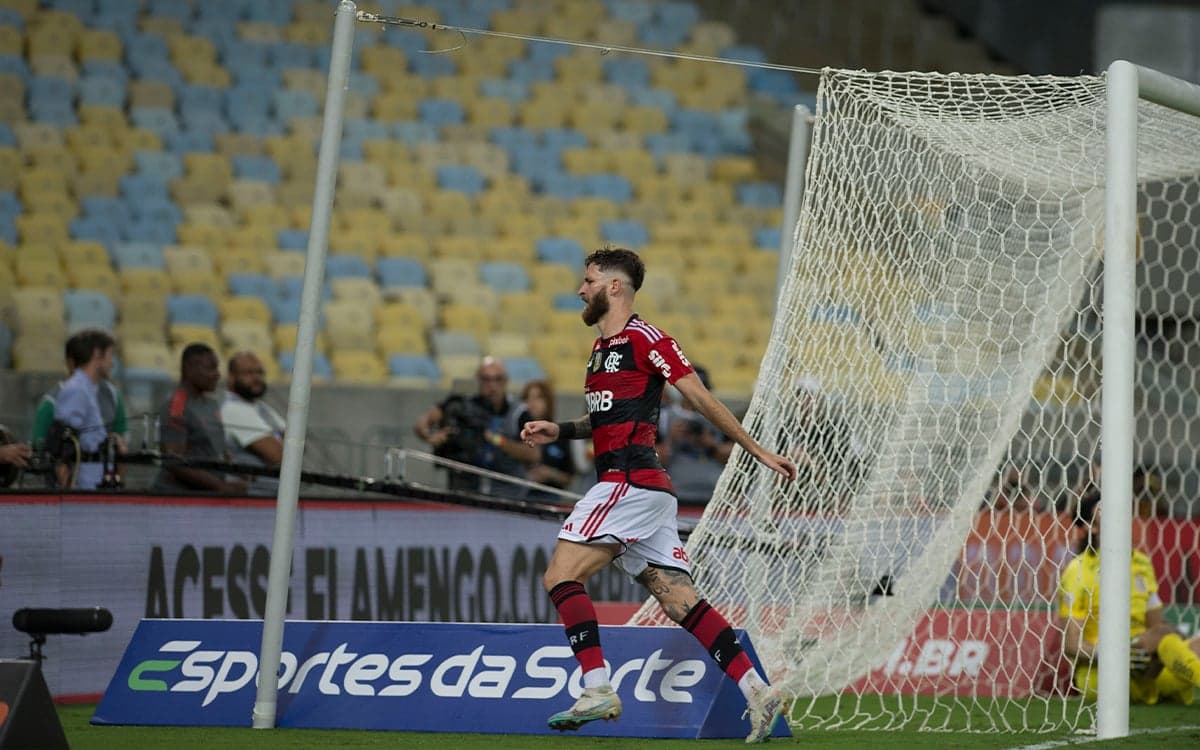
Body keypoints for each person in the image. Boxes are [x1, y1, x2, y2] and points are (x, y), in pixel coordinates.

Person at [520, 248, 798, 743]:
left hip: (628, 483)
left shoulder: (648, 339)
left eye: (588, 281)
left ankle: (597, 686)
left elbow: (699, 398)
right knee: (681, 602)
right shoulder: (600, 351)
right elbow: (602, 420)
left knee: (560, 574)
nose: (580, 290)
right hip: (645, 494)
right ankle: (757, 689)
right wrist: (557, 430)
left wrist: (756, 450)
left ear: (614, 288)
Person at [1057, 488, 1199, 705]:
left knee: (1190, 643)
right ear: (1091, 527)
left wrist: (1150, 648)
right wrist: (1117, 654)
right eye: (1105, 510)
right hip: (1100, 673)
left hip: (1144, 662)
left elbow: (1156, 627)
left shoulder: (1141, 564)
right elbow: (1071, 645)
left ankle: (1159, 684)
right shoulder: (1077, 570)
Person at [413, 356, 538, 494]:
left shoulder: (519, 412)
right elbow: (424, 421)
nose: (492, 385)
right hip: (466, 488)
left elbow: (533, 454)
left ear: (506, 381)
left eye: (498, 379)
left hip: (508, 492)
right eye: (486, 379)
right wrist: (430, 436)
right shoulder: (462, 406)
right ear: (478, 380)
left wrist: (497, 440)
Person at [31, 330, 128, 485]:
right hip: (82, 484)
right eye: (110, 355)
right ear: (97, 354)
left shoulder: (87, 388)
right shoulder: (77, 389)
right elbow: (64, 443)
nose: (112, 362)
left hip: (94, 480)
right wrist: (68, 490)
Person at [153, 343, 247, 494]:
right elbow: (173, 461)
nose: (217, 374)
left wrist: (239, 471)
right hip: (177, 499)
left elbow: (217, 449)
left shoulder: (211, 403)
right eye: (211, 368)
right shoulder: (177, 406)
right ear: (189, 369)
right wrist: (220, 487)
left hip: (206, 496)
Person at [658, 365, 731, 505]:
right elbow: (652, 460)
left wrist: (711, 445)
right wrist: (671, 439)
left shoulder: (720, 417)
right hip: (676, 494)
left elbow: (735, 459)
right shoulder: (664, 416)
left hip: (713, 495)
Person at [220, 351, 286, 496]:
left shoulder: (261, 407)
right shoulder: (233, 410)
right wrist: (279, 444)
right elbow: (279, 456)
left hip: (274, 495)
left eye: (260, 373)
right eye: (248, 373)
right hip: (252, 498)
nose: (256, 378)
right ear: (231, 377)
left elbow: (299, 443)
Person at [518, 380, 578, 496]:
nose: (532, 403)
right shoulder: (516, 432)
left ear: (548, 402)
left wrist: (549, 473)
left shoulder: (558, 434)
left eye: (538, 398)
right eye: (527, 398)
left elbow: (570, 477)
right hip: (518, 496)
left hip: (550, 498)